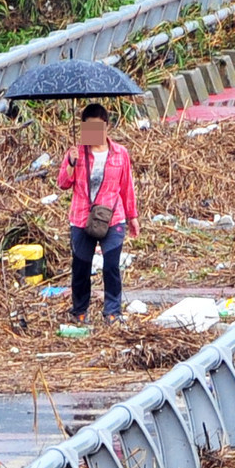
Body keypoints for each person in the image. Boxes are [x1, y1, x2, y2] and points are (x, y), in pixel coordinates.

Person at [57, 104, 140, 325]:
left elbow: (126, 186)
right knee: (81, 267)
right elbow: (63, 183)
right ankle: (79, 311)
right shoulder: (76, 153)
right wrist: (71, 163)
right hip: (81, 217)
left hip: (112, 216)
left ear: (106, 127)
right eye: (88, 128)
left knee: (111, 265)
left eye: (97, 127)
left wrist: (132, 216)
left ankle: (112, 312)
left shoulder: (120, 154)